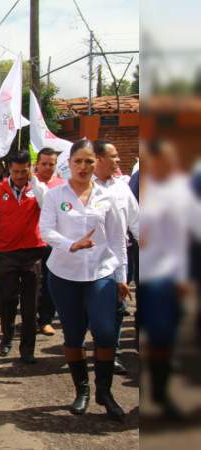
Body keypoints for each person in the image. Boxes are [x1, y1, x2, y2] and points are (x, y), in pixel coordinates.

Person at [39, 139, 129, 421]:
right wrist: (70, 244)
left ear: (97, 163)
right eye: (78, 161)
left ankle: (105, 391)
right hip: (64, 274)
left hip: (100, 272)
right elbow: (45, 231)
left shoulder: (108, 196)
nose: (83, 166)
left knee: (104, 330)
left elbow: (117, 238)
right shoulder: (56, 196)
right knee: (74, 334)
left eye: (89, 161)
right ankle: (82, 390)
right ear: (70, 162)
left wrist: (121, 276)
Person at [139, 140, 199, 419]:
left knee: (164, 335)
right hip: (142, 274)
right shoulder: (138, 189)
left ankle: (160, 395)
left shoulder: (181, 194)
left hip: (169, 276)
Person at [0, 151, 48, 363]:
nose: (20, 175)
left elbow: (47, 206)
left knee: (30, 305)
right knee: (7, 299)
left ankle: (27, 348)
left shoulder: (38, 189)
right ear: (9, 170)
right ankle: (7, 336)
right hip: (7, 253)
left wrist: (36, 182)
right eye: (15, 171)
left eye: (24, 170)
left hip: (33, 253)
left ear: (30, 168)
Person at [93, 140, 140, 375]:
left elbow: (137, 222)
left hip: (120, 260)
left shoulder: (122, 188)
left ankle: (113, 353)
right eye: (114, 156)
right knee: (91, 311)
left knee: (118, 307)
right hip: (91, 263)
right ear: (99, 159)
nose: (118, 160)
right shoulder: (83, 188)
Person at [34, 148, 65, 337]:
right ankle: (29, 319)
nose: (47, 167)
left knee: (49, 283)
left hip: (53, 243)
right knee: (31, 285)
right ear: (37, 163)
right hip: (30, 242)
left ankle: (45, 320)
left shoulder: (63, 186)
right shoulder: (28, 183)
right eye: (43, 163)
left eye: (51, 164)